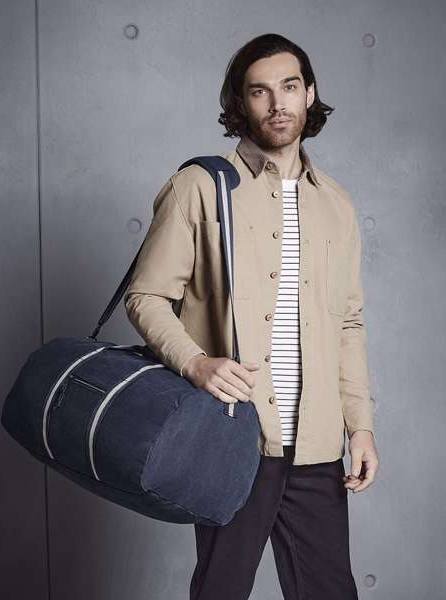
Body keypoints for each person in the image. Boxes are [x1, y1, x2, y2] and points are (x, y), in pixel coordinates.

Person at [124, 33, 379, 600]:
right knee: (222, 589)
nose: (277, 103)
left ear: (309, 93)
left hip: (316, 443)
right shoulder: (199, 187)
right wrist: (195, 363)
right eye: (260, 91)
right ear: (241, 102)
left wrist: (359, 426)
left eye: (289, 86)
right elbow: (145, 296)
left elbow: (348, 323)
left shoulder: (336, 204)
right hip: (233, 435)